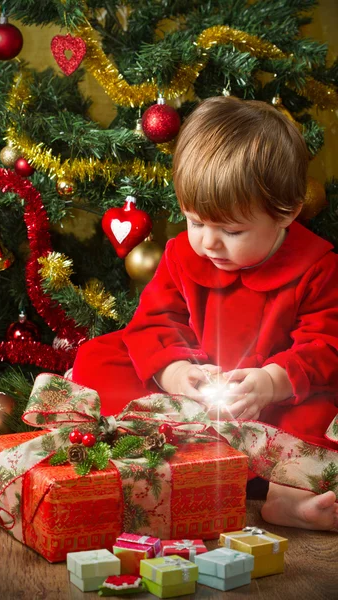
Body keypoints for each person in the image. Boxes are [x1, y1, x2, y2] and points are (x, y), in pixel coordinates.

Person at [72, 96, 338, 531]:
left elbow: (325, 345)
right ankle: (174, 448)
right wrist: (177, 373)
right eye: (195, 222)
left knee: (320, 408)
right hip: (196, 391)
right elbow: (156, 322)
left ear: (285, 213)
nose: (209, 243)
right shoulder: (182, 254)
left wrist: (272, 382)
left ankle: (288, 497)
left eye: (231, 231)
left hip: (272, 399)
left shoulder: (317, 267)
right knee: (99, 358)